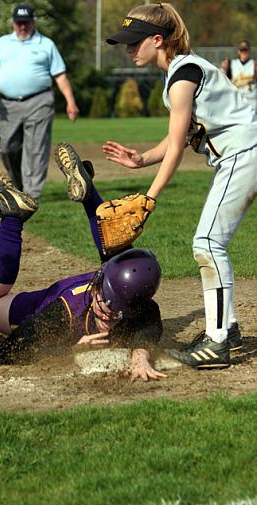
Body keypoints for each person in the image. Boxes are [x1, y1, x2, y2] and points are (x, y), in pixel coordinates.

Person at [103, 3, 257, 369]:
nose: (129, 48)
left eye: (135, 41)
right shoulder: (183, 71)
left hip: (245, 153)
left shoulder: (184, 73)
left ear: (157, 40)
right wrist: (141, 159)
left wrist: (149, 197)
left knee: (207, 243)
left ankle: (218, 342)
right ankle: (228, 327)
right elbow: (179, 137)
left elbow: (176, 149)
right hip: (244, 153)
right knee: (210, 242)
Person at [0, 142, 166, 382]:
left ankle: (88, 192)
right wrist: (70, 347)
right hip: (47, 304)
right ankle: (13, 218)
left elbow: (151, 323)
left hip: (107, 277)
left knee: (117, 255)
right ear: (98, 287)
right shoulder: (64, 312)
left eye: (115, 308)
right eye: (104, 301)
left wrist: (141, 356)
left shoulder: (132, 295)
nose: (108, 312)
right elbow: (9, 350)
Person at [0, 4, 79, 201]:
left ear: (33, 22)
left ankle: (31, 195)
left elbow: (60, 75)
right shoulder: (2, 43)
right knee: (8, 147)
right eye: (19, 23)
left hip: (39, 101)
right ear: (13, 23)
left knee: (35, 149)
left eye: (26, 23)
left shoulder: (46, 44)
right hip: (8, 105)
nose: (22, 27)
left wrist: (70, 102)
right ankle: (18, 185)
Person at [220, 40, 257, 112]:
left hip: (252, 100)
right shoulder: (232, 64)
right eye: (242, 50)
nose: (244, 53)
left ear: (249, 51)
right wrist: (224, 68)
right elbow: (223, 78)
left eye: (246, 50)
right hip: (236, 99)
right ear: (238, 51)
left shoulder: (254, 64)